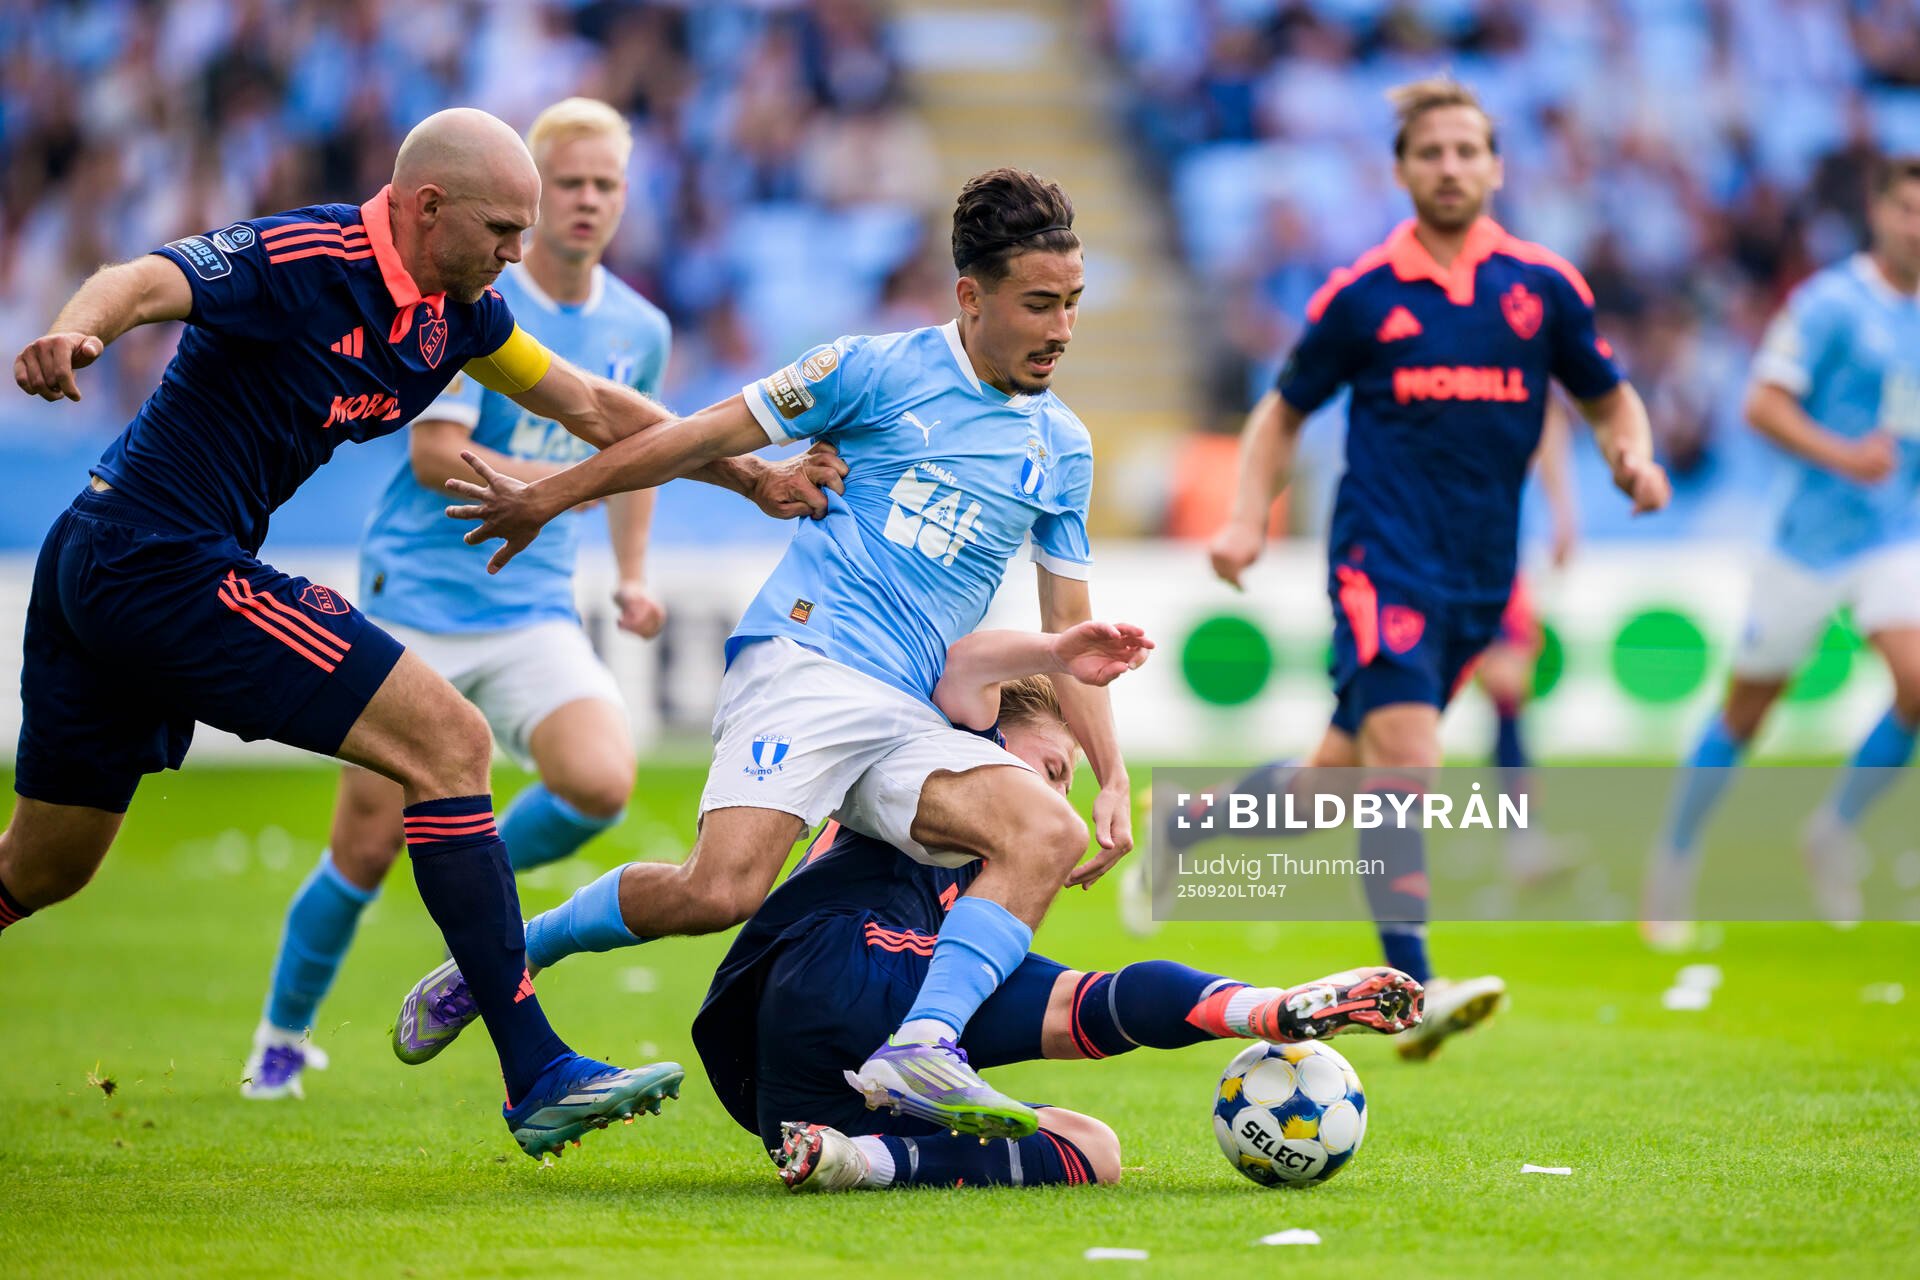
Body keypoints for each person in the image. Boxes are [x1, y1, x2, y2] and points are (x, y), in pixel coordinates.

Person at [3, 107, 842, 1157]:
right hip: (155, 557)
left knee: (43, 868)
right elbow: (142, 279)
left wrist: (754, 476)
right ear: (429, 206)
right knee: (449, 742)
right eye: (502, 229)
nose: (518, 253)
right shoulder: (304, 256)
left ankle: (515, 1044)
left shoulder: (463, 315)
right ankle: (536, 1069)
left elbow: (592, 406)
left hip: (114, 559)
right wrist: (77, 330)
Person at [396, 168, 1134, 1141]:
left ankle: (925, 1044)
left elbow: (1074, 626)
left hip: (907, 709)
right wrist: (550, 496)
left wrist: (1113, 774)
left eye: (1072, 302)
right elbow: (689, 437)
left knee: (1047, 832)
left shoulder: (1062, 445)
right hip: (809, 658)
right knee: (717, 892)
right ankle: (513, 954)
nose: (1061, 328)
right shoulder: (868, 370)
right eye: (1039, 304)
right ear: (971, 296)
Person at [1206, 77, 1670, 1060]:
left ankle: (1195, 831)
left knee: (1335, 781)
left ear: (1496, 167)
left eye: (1467, 151)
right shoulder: (1363, 294)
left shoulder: (1543, 287)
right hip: (1382, 558)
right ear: (1401, 170)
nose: (1450, 167)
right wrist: (1248, 517)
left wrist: (1631, 454)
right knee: (1408, 760)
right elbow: (1283, 411)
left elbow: (1607, 395)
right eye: (1431, 153)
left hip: (1482, 575)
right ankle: (1410, 990)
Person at [239, 99, 677, 1100]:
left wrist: (633, 573)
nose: (587, 200)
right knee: (364, 846)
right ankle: (281, 1037)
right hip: (419, 601)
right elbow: (437, 456)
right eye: (569, 183)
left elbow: (641, 452)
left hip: (531, 607)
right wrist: (555, 484)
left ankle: (472, 903)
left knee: (601, 780)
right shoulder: (474, 294)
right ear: (532, 194)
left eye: (606, 184)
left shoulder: (640, 329)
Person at [687, 626, 1419, 1192]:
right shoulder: (950, 750)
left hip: (801, 1084)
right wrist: (1060, 657)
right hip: (848, 954)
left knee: (1091, 1149)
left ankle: (856, 1161)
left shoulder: (971, 851)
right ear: (989, 726)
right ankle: (1267, 1008)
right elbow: (967, 661)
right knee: (1082, 1000)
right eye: (1054, 768)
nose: (1061, 801)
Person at [1644, 156, 1920, 946]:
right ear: (1878, 213)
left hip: (1893, 536)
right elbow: (1762, 404)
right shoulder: (1831, 303)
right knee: (1748, 710)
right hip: (1805, 541)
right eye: (1907, 210)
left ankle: (1833, 831)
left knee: (1917, 681)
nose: (1917, 227)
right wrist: (1845, 456)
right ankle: (1674, 859)